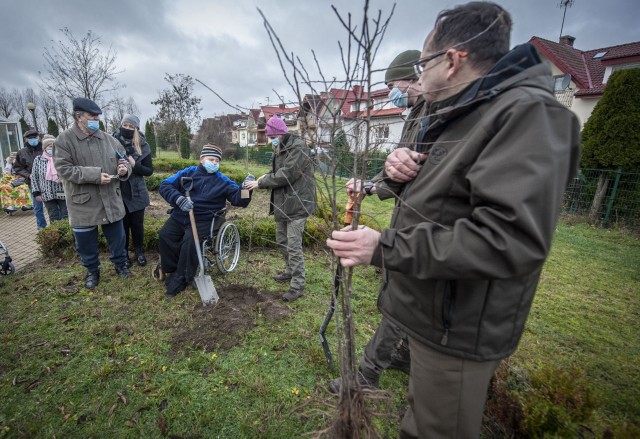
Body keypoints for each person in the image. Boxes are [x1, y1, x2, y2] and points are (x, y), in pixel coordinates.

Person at [326, 2, 581, 437]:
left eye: (423, 63)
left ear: (451, 60)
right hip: (430, 308)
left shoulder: (527, 115)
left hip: (457, 326)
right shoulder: (460, 113)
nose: (419, 75)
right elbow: (448, 196)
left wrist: (385, 247)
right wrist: (399, 171)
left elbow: (508, 240)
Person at [330, 50, 429, 393]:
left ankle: (367, 375)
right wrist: (371, 184)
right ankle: (407, 356)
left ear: (415, 76)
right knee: (409, 299)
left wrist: (377, 183)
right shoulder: (417, 113)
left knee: (400, 300)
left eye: (393, 85)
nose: (391, 92)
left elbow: (423, 170)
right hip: (412, 219)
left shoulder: (435, 114)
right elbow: (401, 171)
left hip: (424, 224)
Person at [54, 97, 132, 290]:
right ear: (79, 116)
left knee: (117, 238)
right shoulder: (64, 140)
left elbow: (124, 160)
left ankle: (120, 265)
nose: (96, 119)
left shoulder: (109, 139)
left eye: (98, 116)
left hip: (110, 200)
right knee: (86, 242)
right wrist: (95, 175)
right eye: (92, 115)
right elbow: (64, 169)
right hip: (83, 203)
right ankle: (92, 270)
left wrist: (124, 169)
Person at [158, 144, 253, 297]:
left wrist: (246, 189)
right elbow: (165, 185)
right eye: (211, 159)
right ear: (201, 159)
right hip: (180, 215)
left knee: (190, 242)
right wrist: (178, 198)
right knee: (165, 235)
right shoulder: (188, 173)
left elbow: (239, 200)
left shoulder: (223, 181)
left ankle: (182, 277)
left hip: (204, 220)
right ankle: (172, 269)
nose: (214, 163)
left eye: (217, 161)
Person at [244, 117, 317, 302]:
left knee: (293, 246)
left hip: (299, 203)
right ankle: (290, 271)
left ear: (280, 133)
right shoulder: (280, 148)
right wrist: (265, 176)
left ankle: (297, 285)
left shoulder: (297, 147)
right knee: (281, 240)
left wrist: (262, 183)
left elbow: (287, 174)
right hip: (284, 202)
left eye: (272, 136)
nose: (270, 140)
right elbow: (278, 171)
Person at [113, 114, 153, 267]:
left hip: (137, 191)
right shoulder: (111, 142)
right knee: (122, 225)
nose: (128, 129)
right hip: (118, 191)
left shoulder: (142, 145)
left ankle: (139, 252)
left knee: (137, 225)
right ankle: (124, 255)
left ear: (136, 128)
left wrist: (134, 164)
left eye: (132, 127)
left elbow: (149, 171)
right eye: (126, 125)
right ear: (121, 125)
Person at [13, 129, 47, 229]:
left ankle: (56, 226)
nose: (33, 140)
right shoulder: (22, 152)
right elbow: (18, 167)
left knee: (54, 206)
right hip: (33, 183)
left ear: (39, 137)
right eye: (30, 138)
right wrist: (28, 175)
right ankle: (41, 227)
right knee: (38, 207)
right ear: (26, 139)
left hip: (48, 181)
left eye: (35, 137)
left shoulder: (45, 148)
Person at [30, 134, 68, 222]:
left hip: (61, 191)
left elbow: (68, 171)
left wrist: (62, 178)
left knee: (66, 214)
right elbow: (34, 177)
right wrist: (36, 193)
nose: (52, 148)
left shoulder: (61, 158)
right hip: (47, 193)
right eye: (50, 146)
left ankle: (67, 233)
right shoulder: (38, 160)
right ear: (44, 148)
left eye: (54, 146)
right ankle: (56, 234)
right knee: (53, 216)